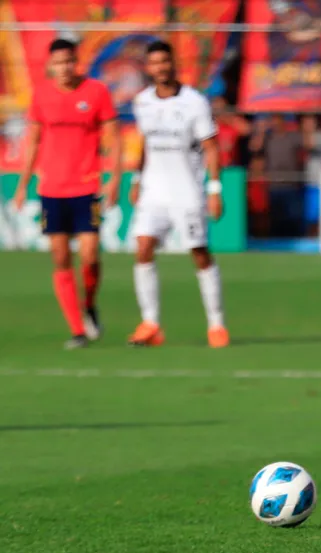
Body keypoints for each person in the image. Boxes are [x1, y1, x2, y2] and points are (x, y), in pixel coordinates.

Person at [14, 38, 121, 349]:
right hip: (51, 189)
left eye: (68, 62)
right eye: (57, 63)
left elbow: (113, 139)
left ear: (76, 63)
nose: (63, 68)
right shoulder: (42, 95)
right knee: (60, 257)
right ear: (50, 66)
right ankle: (77, 330)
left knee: (89, 255)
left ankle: (89, 305)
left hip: (86, 186)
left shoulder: (96, 92)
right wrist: (23, 185)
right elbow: (33, 141)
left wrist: (114, 179)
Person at [126, 41, 228, 348]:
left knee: (199, 253)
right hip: (153, 191)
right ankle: (151, 323)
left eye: (165, 62)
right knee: (143, 247)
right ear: (148, 67)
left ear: (173, 64)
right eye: (154, 63)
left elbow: (211, 147)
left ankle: (216, 324)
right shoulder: (142, 101)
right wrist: (136, 178)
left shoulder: (194, 102)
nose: (160, 68)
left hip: (187, 192)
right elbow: (142, 143)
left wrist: (214, 189)